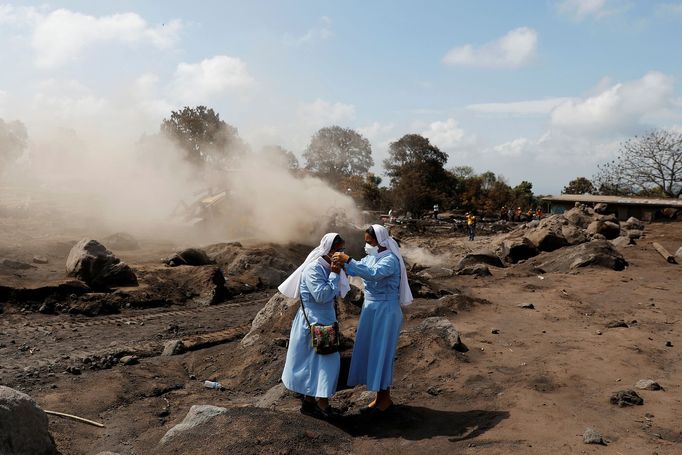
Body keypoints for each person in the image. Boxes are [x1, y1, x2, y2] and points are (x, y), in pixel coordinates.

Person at [332, 224, 412, 414]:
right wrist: (339, 264)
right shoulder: (370, 258)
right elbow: (356, 270)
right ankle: (379, 397)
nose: (366, 245)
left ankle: (385, 398)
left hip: (385, 309)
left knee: (382, 351)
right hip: (370, 309)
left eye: (369, 242)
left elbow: (373, 274)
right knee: (371, 351)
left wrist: (349, 260)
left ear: (380, 242)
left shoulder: (390, 260)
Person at [280, 233, 350, 419]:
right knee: (326, 363)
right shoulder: (314, 269)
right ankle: (323, 405)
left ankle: (310, 402)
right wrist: (335, 274)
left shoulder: (327, 267)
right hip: (315, 324)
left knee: (318, 362)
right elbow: (322, 296)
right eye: (339, 250)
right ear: (330, 250)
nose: (342, 254)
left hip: (323, 322)